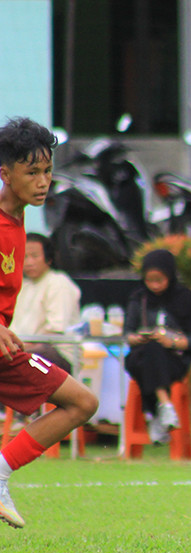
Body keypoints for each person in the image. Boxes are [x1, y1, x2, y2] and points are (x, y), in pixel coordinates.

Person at [0, 117, 98, 528]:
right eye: (32, 172)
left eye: (47, 171)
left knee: (82, 402)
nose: (43, 182)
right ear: (5, 174)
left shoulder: (21, 222)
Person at [123, 249, 191, 445]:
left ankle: (154, 412)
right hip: (141, 357)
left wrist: (174, 341)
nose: (155, 285)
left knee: (156, 350)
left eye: (160, 280)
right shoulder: (138, 298)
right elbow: (128, 335)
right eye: (150, 280)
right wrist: (140, 337)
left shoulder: (185, 298)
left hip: (174, 359)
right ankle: (164, 405)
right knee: (151, 348)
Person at [9, 232, 81, 373]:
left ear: (48, 259)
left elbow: (55, 331)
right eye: (24, 257)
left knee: (20, 359)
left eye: (35, 256)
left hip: (56, 353)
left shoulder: (58, 282)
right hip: (23, 348)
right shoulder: (21, 286)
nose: (29, 262)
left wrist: (22, 347)